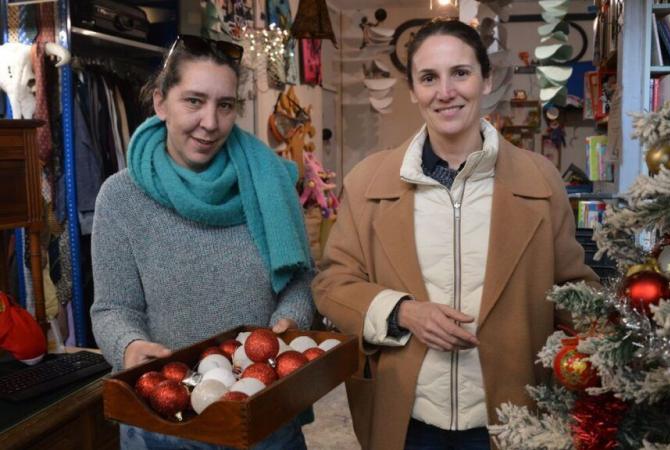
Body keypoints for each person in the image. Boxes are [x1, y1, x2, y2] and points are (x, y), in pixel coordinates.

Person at [312, 18, 598, 450]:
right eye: (429, 77)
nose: (445, 92)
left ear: (485, 80)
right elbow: (332, 284)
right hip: (408, 416)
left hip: (511, 415)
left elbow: (574, 292)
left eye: (460, 73)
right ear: (413, 91)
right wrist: (403, 312)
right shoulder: (369, 181)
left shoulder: (540, 180)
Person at [90, 34, 314, 450]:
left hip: (261, 412)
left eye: (224, 105)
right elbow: (112, 308)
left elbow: (298, 280)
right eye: (193, 101)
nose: (211, 123)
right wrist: (130, 345)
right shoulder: (121, 197)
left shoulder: (271, 183)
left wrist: (291, 319)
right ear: (160, 103)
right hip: (164, 421)